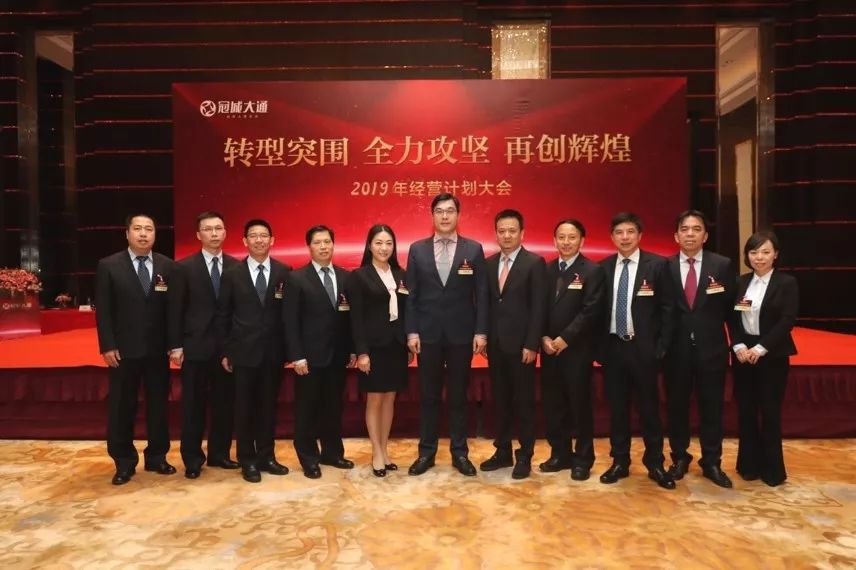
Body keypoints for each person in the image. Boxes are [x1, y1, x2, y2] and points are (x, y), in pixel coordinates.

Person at [405, 193, 488, 477]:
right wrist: (412, 331)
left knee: (458, 396)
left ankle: (459, 453)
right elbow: (411, 295)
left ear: (458, 215)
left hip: (461, 335)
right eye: (439, 211)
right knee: (428, 396)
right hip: (427, 335)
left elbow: (482, 294)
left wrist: (481, 331)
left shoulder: (473, 249)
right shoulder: (417, 250)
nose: (444, 216)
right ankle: (426, 453)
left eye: (450, 211)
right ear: (432, 215)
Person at [95, 214, 177, 485]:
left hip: (157, 351)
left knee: (158, 406)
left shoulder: (167, 265)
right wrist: (108, 345)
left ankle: (157, 457)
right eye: (138, 229)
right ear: (127, 233)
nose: (143, 234)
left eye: (149, 229)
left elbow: (173, 311)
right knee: (122, 407)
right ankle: (124, 462)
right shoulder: (109, 265)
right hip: (123, 351)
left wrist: (174, 344)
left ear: (155, 234)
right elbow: (104, 310)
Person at [597, 212, 676, 490]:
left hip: (644, 350)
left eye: (630, 232)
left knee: (649, 409)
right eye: (619, 232)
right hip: (613, 348)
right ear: (612, 237)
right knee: (617, 409)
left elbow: (668, 309)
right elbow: (597, 311)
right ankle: (620, 461)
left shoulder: (658, 265)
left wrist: (661, 347)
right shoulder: (603, 268)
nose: (625, 237)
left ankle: (655, 463)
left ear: (640, 235)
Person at [664, 210, 736, 488]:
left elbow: (731, 308)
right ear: (676, 236)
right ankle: (679, 458)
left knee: (712, 409)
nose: (690, 234)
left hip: (712, 350)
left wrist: (737, 343)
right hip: (676, 352)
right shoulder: (665, 266)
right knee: (677, 408)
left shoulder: (722, 265)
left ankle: (712, 462)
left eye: (696, 229)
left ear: (705, 235)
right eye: (685, 229)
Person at [217, 219, 291, 483]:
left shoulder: (284, 272)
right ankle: (247, 460)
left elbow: (288, 316)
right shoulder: (232, 274)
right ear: (245, 241)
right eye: (253, 235)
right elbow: (223, 315)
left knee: (268, 408)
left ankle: (266, 457)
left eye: (264, 235)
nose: (259, 240)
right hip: (243, 352)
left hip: (273, 353)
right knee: (244, 408)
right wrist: (226, 351)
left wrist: (289, 350)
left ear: (272, 240)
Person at [168, 211, 240, 479]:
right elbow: (175, 310)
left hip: (226, 350)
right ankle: (192, 459)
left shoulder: (237, 267)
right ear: (198, 235)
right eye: (208, 229)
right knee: (193, 407)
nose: (214, 233)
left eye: (218, 228)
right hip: (194, 347)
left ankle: (219, 454)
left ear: (225, 233)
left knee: (224, 405)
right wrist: (175, 345)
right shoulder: (183, 268)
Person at [284, 225, 355, 479]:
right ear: (309, 247)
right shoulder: (296, 278)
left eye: (327, 242)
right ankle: (309, 458)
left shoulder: (346, 277)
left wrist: (352, 350)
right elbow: (290, 321)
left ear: (333, 245)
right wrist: (297, 355)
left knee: (333, 407)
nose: (323, 247)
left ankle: (332, 453)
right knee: (307, 409)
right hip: (309, 357)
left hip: (337, 356)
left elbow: (350, 319)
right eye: (318, 242)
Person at [481, 209, 546, 479]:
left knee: (524, 402)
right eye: (502, 231)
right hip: (496, 345)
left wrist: (532, 344)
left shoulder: (534, 263)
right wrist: (484, 336)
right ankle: (503, 451)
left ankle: (525, 455)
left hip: (522, 348)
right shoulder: (488, 264)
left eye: (512, 231)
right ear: (496, 234)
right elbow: (486, 304)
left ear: (522, 233)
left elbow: (539, 307)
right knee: (501, 401)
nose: (506, 235)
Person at [730, 230, 798, 487]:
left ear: (775, 255)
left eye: (765, 252)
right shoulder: (740, 282)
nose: (759, 257)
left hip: (772, 354)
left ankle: (772, 471)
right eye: (754, 252)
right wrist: (738, 346)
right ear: (747, 255)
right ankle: (748, 466)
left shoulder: (786, 283)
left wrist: (760, 348)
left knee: (769, 412)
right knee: (746, 411)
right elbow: (733, 317)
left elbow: (787, 321)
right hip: (743, 356)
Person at [540, 219, 605, 481]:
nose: (566, 242)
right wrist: (544, 337)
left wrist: (564, 339)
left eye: (572, 237)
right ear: (554, 240)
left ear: (582, 240)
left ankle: (583, 459)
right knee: (554, 405)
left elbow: (590, 311)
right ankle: (560, 454)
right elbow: (538, 308)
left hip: (577, 350)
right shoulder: (546, 270)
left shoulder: (592, 270)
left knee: (579, 406)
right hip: (549, 350)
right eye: (561, 237)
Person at [347, 224, 411, 477]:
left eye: (389, 243)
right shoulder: (359, 276)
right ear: (369, 246)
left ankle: (385, 450)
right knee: (374, 399)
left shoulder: (401, 274)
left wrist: (408, 343)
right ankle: (376, 452)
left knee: (390, 398)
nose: (384, 248)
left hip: (396, 346)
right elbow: (356, 318)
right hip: (373, 349)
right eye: (379, 243)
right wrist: (362, 352)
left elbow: (407, 311)